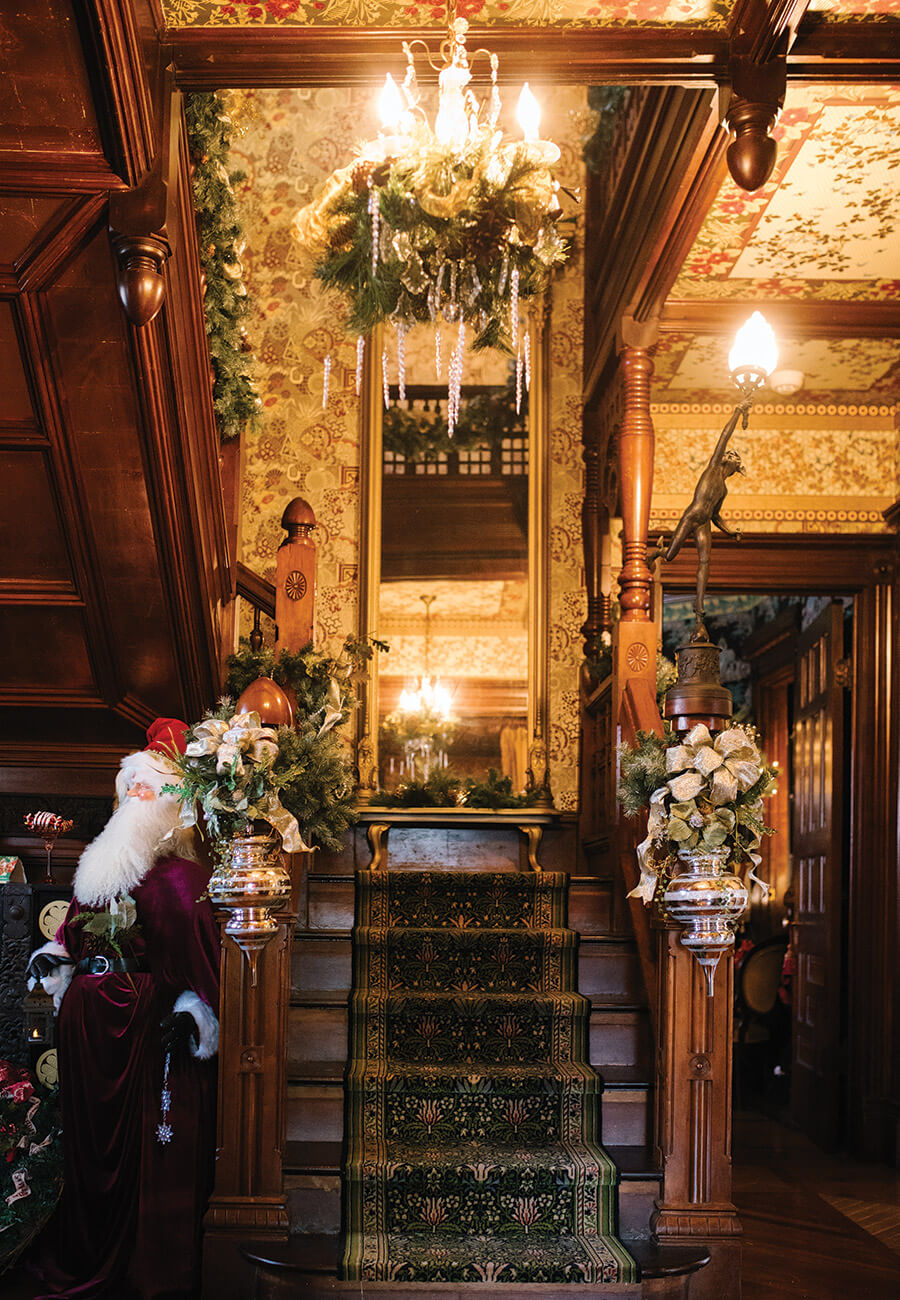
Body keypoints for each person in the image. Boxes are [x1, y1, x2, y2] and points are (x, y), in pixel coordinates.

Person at [26, 719, 221, 1300]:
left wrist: (195, 1012)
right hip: (88, 1034)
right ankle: (85, 1246)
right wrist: (53, 962)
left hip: (140, 1038)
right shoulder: (97, 868)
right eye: (129, 787)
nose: (135, 796)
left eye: (147, 788)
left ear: (171, 805)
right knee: (89, 1154)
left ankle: (141, 1265)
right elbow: (67, 937)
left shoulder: (186, 881)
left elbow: (201, 967)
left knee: (140, 1154)